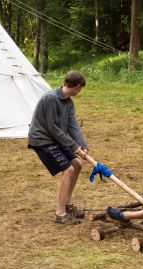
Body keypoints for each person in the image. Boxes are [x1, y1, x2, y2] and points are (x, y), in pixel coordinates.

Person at [28, 71, 88, 225]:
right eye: (80, 89)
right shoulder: (50, 98)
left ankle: (67, 204)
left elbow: (72, 125)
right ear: (77, 87)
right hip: (42, 140)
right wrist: (74, 147)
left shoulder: (68, 102)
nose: (80, 91)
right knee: (68, 170)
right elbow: (52, 128)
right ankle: (60, 214)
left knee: (77, 165)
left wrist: (83, 145)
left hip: (56, 139)